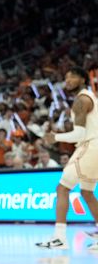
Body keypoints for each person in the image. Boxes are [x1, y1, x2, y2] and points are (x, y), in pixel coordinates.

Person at [36, 68, 98, 249]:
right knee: (86, 193)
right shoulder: (89, 98)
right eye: (66, 76)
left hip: (90, 146)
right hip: (94, 147)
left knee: (62, 188)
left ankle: (60, 237)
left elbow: (79, 134)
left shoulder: (82, 100)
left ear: (82, 79)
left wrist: (55, 137)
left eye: (72, 76)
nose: (67, 80)